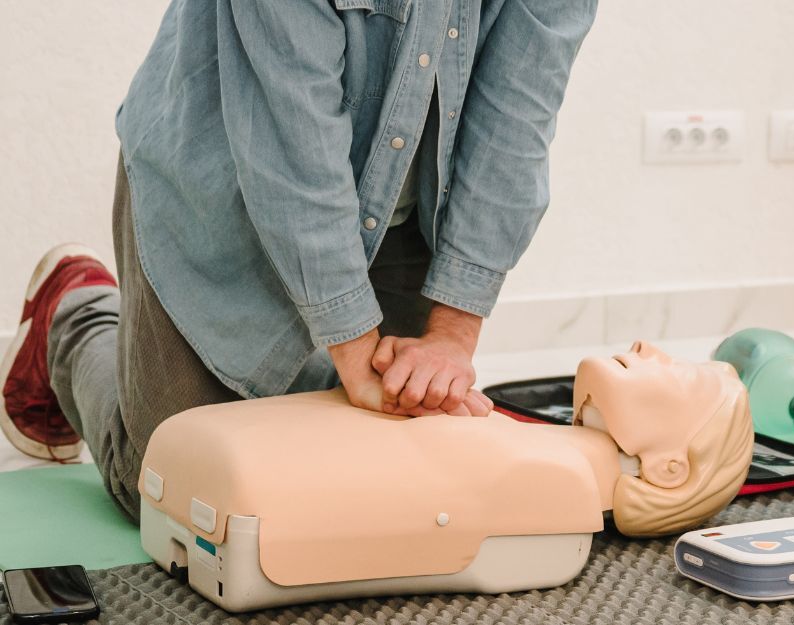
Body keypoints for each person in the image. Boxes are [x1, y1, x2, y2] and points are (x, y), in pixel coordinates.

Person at [0, 0, 598, 520]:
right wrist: (354, 349)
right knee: (169, 488)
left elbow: (516, 118)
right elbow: (291, 135)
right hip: (228, 176)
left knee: (379, 483)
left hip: (405, 207)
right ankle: (73, 316)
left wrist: (452, 334)